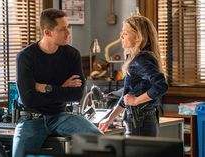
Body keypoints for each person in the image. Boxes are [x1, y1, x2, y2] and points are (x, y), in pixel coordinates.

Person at [13, 8, 102, 157]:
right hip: (31, 119)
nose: (68, 33)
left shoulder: (72, 54)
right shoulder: (25, 57)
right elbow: (29, 99)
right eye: (62, 29)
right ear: (47, 32)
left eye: (68, 27)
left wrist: (46, 88)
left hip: (60, 117)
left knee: (102, 140)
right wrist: (62, 89)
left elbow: (76, 94)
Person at [99, 15, 168, 137]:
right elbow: (127, 96)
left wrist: (136, 101)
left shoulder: (142, 59)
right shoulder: (135, 58)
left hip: (140, 122)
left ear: (138, 37)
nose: (121, 36)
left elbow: (161, 86)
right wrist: (110, 119)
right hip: (138, 120)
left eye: (125, 33)